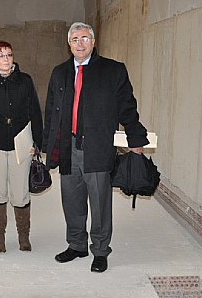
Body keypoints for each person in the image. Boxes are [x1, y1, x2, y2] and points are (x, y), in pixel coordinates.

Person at [43, 22, 148, 273]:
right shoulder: (60, 72)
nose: (80, 43)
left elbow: (127, 106)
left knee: (100, 201)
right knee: (71, 199)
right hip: (68, 147)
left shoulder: (113, 70)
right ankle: (77, 244)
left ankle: (100, 250)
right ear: (69, 44)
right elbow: (51, 111)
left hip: (98, 147)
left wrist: (135, 138)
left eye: (85, 38)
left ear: (93, 41)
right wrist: (46, 143)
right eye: (75, 39)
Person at [0, 41, 43, 253]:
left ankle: (24, 236)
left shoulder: (24, 81)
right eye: (1, 55)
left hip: (20, 142)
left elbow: (35, 112)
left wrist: (37, 143)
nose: (6, 59)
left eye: (9, 55)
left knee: (21, 192)